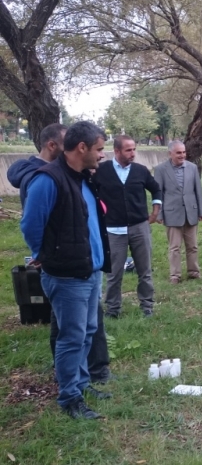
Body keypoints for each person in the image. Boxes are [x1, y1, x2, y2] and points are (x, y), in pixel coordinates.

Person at [20, 121, 112, 420]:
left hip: (90, 271)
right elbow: (31, 225)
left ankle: (82, 384)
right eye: (99, 149)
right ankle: (69, 398)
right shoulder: (48, 179)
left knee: (87, 332)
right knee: (71, 338)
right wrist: (46, 256)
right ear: (81, 148)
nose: (102, 155)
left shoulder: (83, 178)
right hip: (67, 275)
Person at [94, 135, 162, 317]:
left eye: (134, 149)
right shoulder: (101, 170)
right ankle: (113, 309)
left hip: (140, 227)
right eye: (128, 150)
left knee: (145, 271)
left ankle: (147, 306)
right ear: (116, 151)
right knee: (114, 273)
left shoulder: (141, 171)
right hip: (114, 231)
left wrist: (155, 211)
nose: (133, 153)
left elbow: (156, 188)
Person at [153, 140, 202, 283]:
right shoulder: (160, 170)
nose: (182, 155)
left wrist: (201, 210)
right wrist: (159, 213)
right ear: (170, 153)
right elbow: (158, 194)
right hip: (172, 213)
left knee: (193, 246)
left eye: (184, 152)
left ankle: (193, 271)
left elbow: (198, 190)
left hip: (191, 212)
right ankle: (175, 275)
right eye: (178, 153)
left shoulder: (192, 168)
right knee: (174, 247)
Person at [7, 124, 67, 210]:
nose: (72, 151)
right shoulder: (42, 178)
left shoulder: (32, 171)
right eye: (67, 145)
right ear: (52, 146)